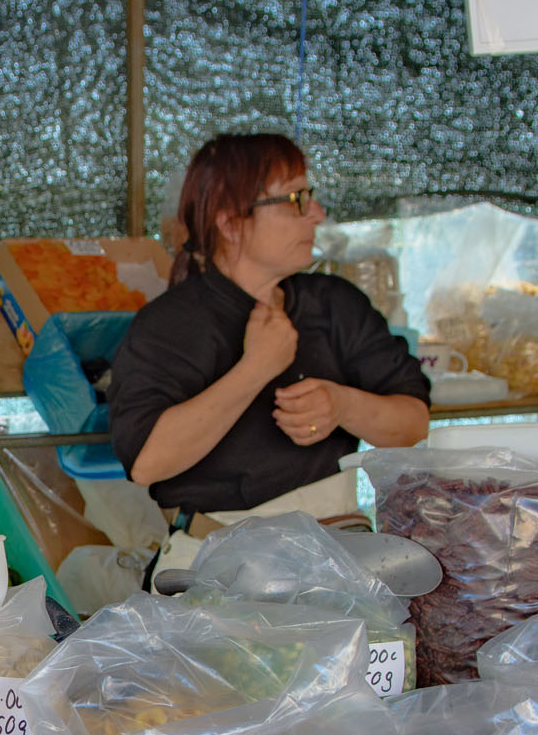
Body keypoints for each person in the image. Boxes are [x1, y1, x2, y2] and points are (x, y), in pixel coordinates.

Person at [109, 133, 429, 516]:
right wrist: (257, 367)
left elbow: (415, 426)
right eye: (296, 200)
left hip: (335, 539)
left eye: (310, 196)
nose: (317, 213)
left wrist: (343, 405)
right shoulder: (169, 324)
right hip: (219, 547)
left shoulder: (335, 304)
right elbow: (146, 463)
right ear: (231, 223)